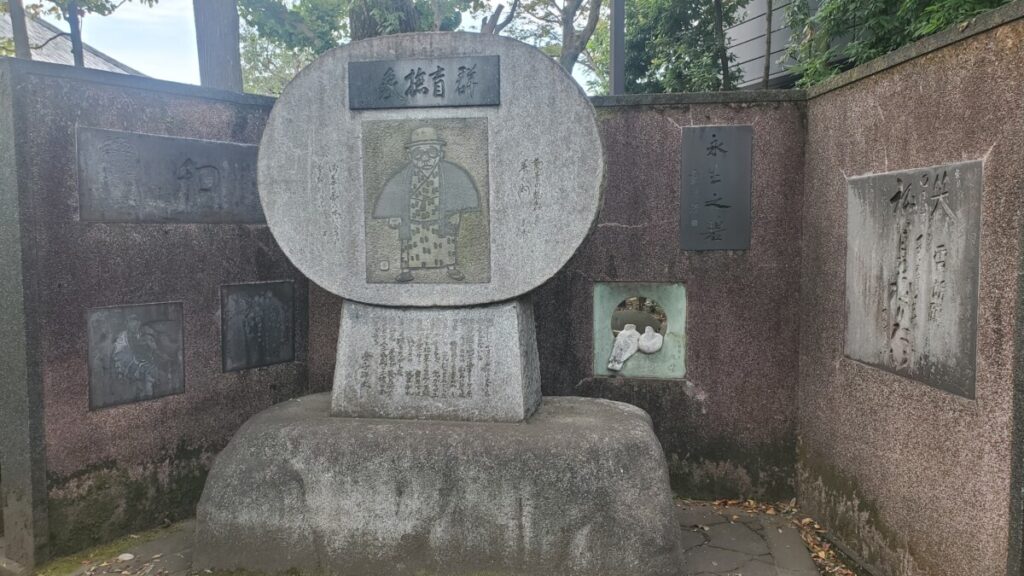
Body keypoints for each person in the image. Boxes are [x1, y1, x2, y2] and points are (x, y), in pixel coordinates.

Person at [373, 126, 480, 282]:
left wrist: (456, 212)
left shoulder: (451, 173)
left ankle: (451, 268)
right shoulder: (403, 176)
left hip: (440, 217)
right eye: (419, 153)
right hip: (413, 219)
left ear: (440, 153)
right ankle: (406, 270)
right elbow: (393, 196)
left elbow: (460, 193)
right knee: (409, 245)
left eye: (431, 152)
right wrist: (394, 215)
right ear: (410, 155)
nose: (425, 158)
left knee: (446, 241)